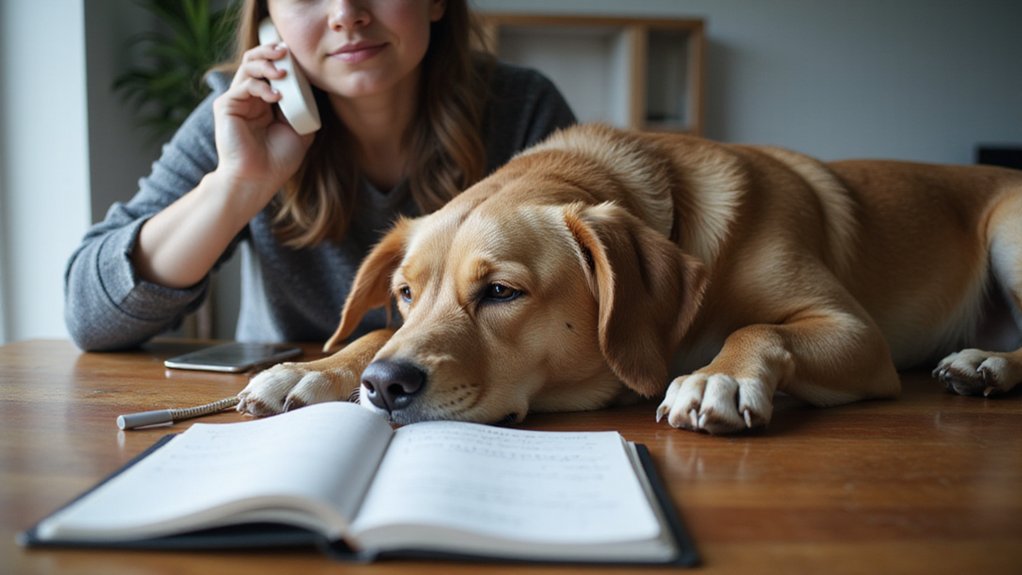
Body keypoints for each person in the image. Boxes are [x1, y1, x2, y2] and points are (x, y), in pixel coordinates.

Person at [65, 0, 575, 351]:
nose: (346, 15)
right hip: (292, 411)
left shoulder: (523, 108)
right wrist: (237, 185)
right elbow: (91, 316)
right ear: (271, 24)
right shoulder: (243, 114)